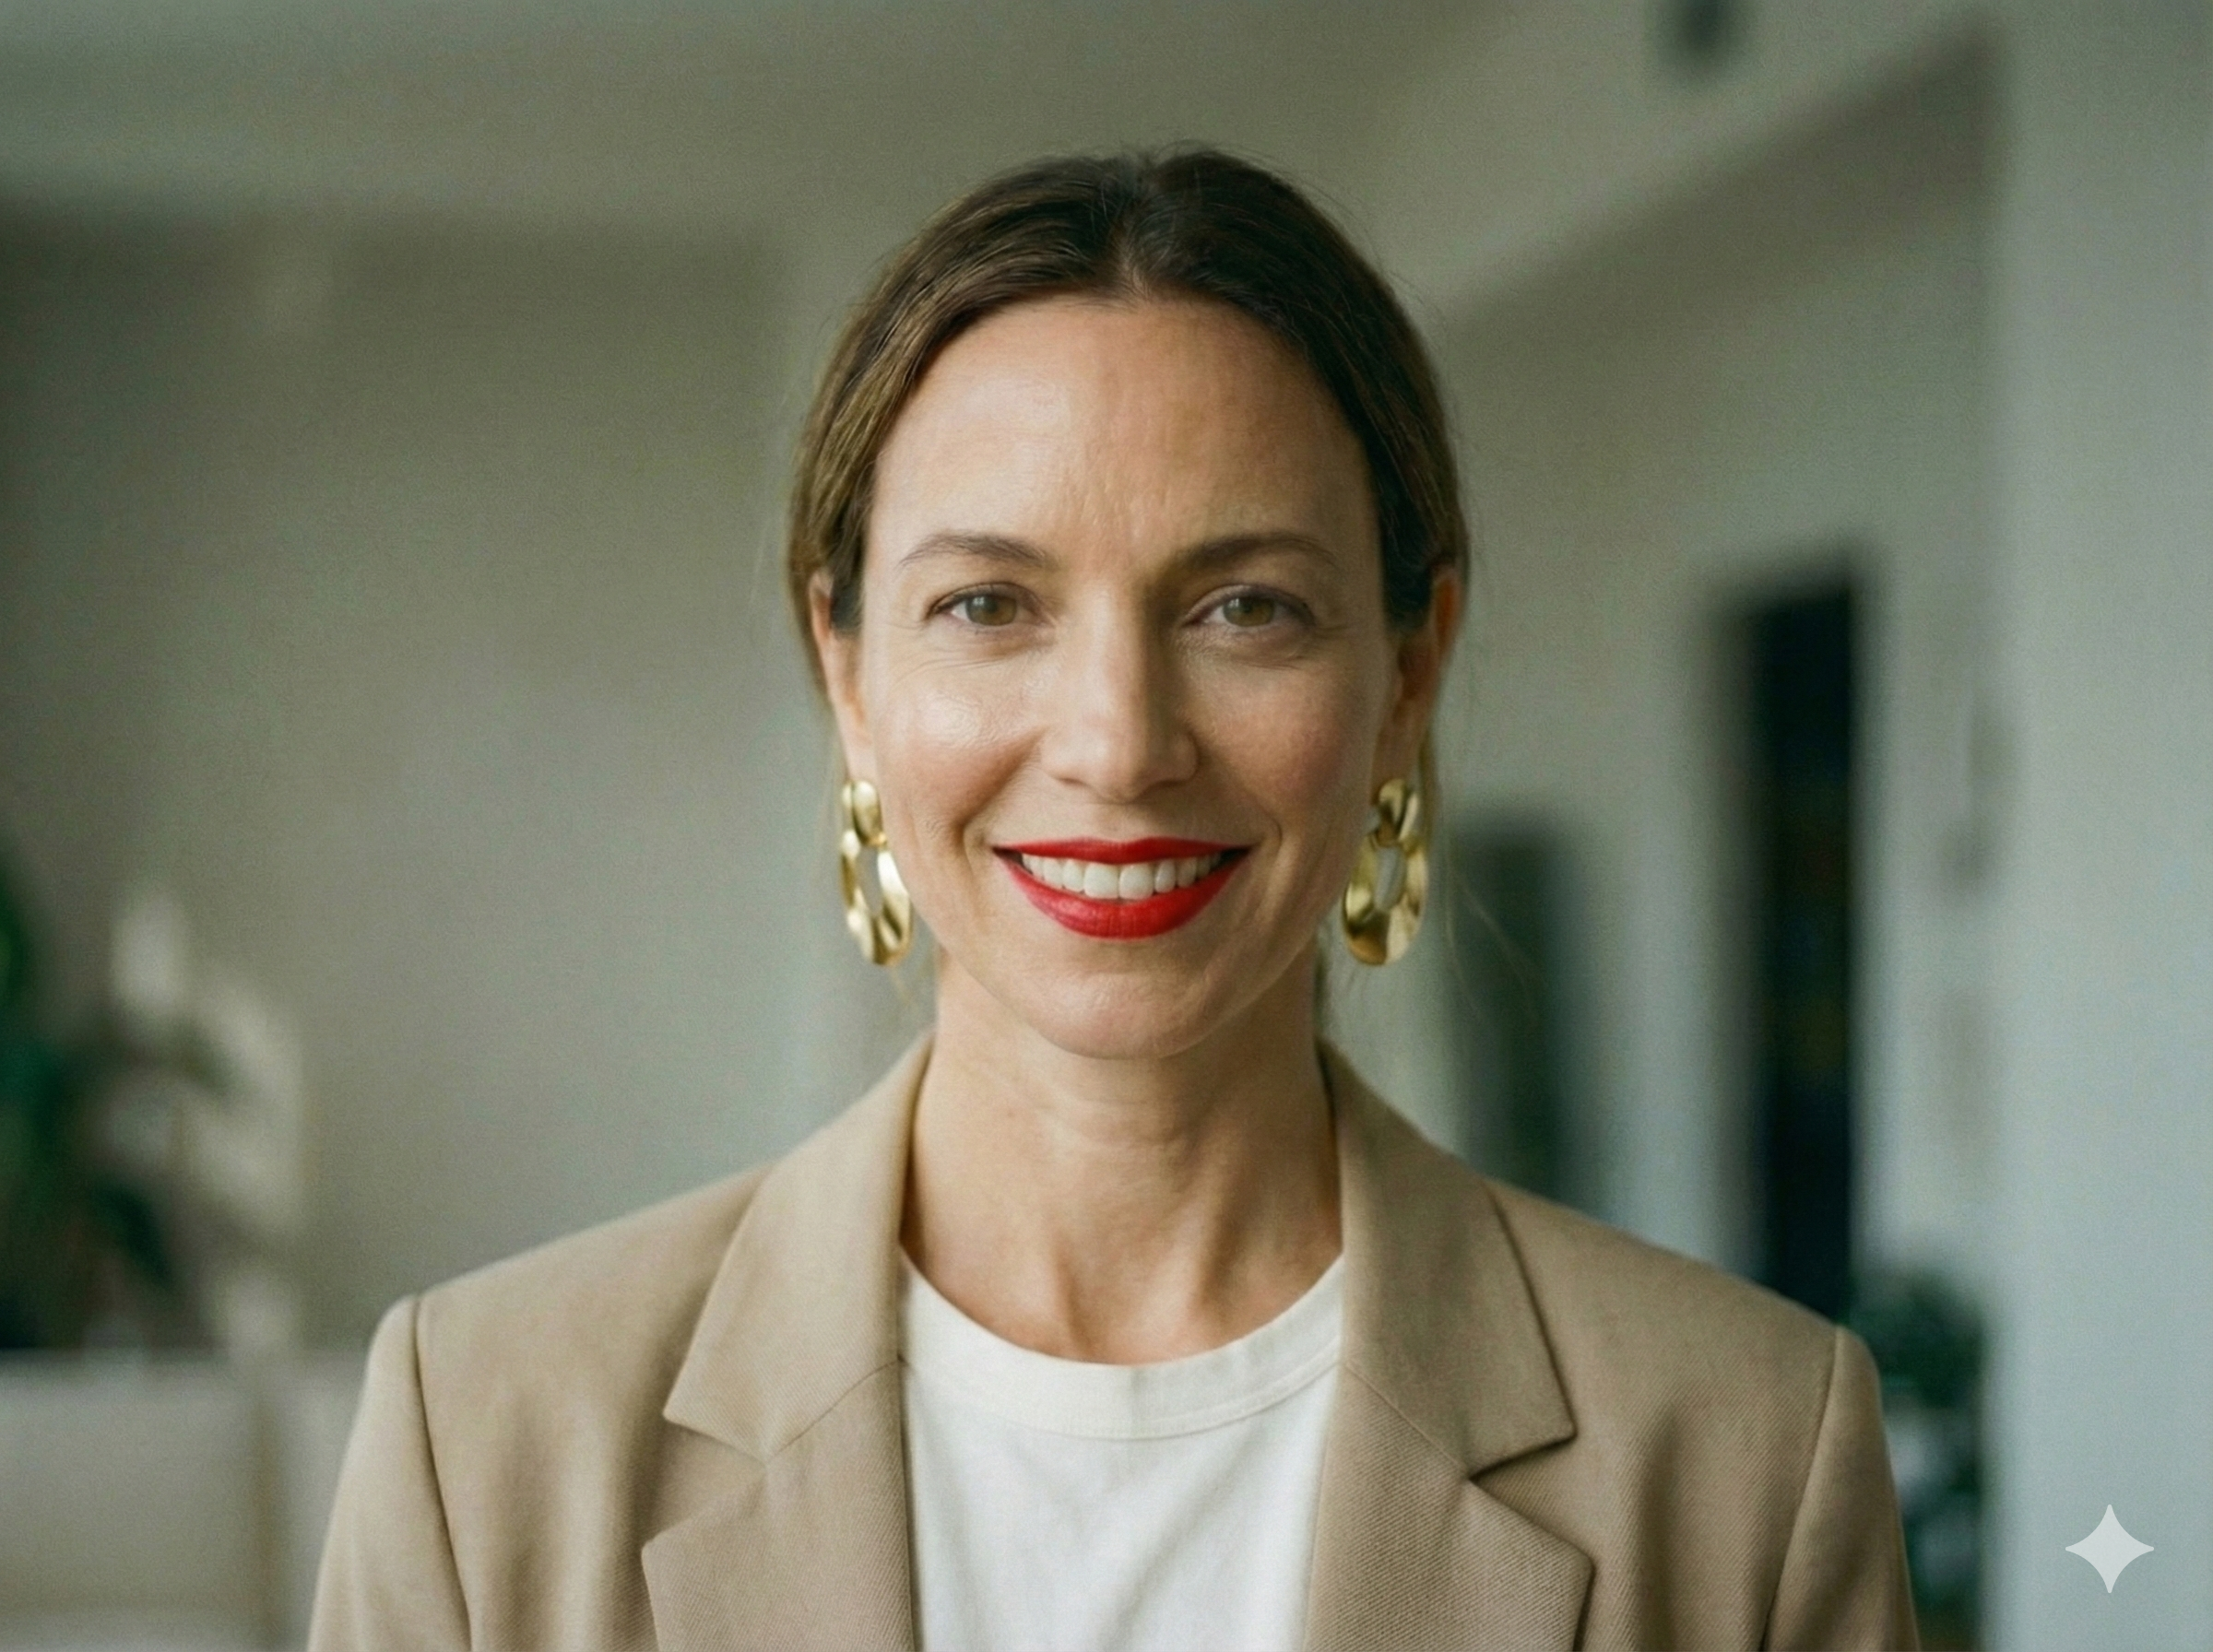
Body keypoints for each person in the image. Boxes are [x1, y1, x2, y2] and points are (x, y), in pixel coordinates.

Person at [309, 149, 1917, 1652]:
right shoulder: (488, 1435)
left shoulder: (1750, 1458)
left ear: (1408, 669)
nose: (1119, 744)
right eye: (989, 604)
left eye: (1244, 607)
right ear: (848, 669)